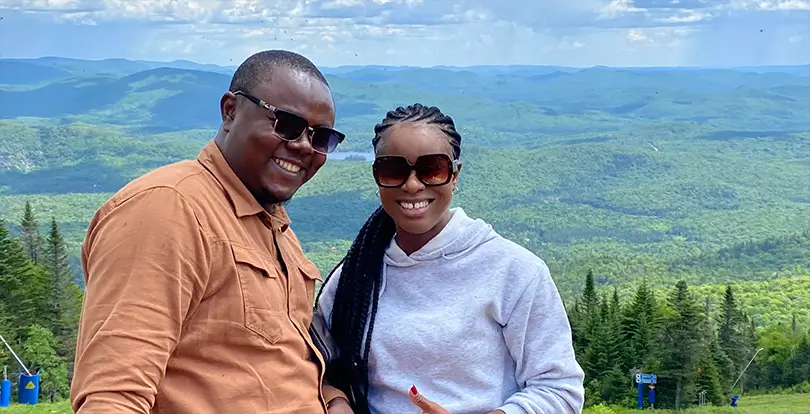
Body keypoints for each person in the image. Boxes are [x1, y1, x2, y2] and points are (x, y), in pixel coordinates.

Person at [70, 50, 347, 414]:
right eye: (287, 125)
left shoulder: (269, 220)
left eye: (321, 138)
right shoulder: (169, 208)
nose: (303, 146)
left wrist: (334, 401)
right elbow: (113, 396)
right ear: (230, 111)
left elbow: (284, 359)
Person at [312, 104, 585, 414]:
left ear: (455, 175)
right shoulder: (353, 277)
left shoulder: (515, 272)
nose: (413, 185)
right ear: (377, 177)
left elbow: (559, 389)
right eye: (393, 170)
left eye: (432, 169)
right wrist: (336, 401)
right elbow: (315, 366)